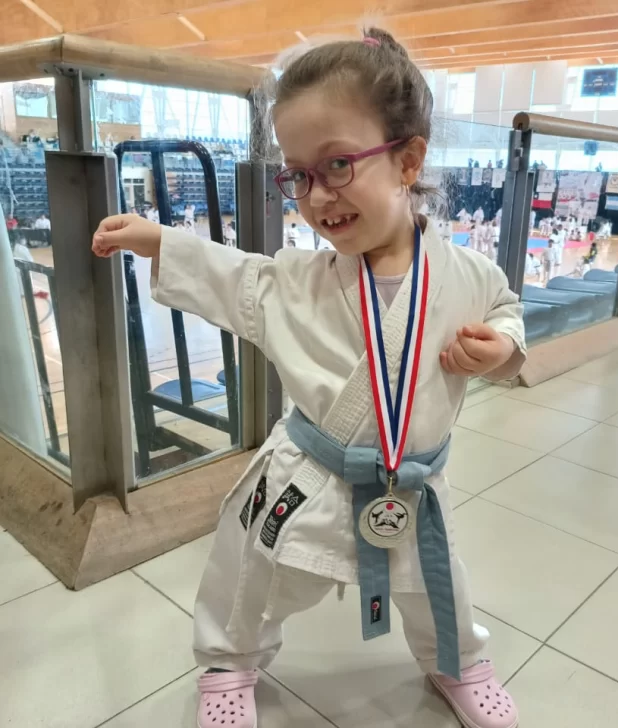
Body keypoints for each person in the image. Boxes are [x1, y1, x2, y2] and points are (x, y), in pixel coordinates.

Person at [91, 27, 525, 728]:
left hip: (409, 482)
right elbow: (233, 273)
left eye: (338, 165)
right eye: (298, 175)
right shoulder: (294, 282)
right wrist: (156, 239)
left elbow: (508, 310)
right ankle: (229, 661)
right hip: (307, 475)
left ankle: (458, 661)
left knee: (436, 583)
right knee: (248, 573)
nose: (317, 196)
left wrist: (502, 345)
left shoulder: (469, 276)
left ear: (409, 160)